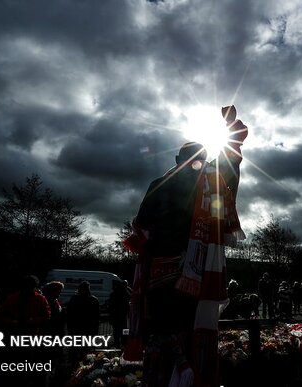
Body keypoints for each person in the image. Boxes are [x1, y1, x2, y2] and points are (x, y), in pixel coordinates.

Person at [123, 105, 247, 387]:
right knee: (195, 331)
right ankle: (193, 374)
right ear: (202, 159)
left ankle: (163, 375)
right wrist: (230, 131)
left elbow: (140, 228)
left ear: (177, 158)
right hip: (197, 270)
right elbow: (232, 162)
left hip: (159, 273)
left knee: (161, 333)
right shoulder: (211, 183)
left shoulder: (159, 182)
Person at [109, 279, 131, 347]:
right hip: (123, 315)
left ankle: (117, 342)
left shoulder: (113, 294)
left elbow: (111, 306)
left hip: (116, 315)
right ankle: (124, 341)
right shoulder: (126, 294)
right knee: (125, 329)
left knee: (116, 329)